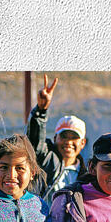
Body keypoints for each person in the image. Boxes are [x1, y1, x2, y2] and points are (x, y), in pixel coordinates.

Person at [26, 74, 88, 202]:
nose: (68, 142)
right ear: (55, 139)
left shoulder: (88, 175)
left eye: (74, 138)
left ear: (83, 143)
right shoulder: (47, 161)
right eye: (64, 136)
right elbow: (35, 144)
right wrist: (41, 111)